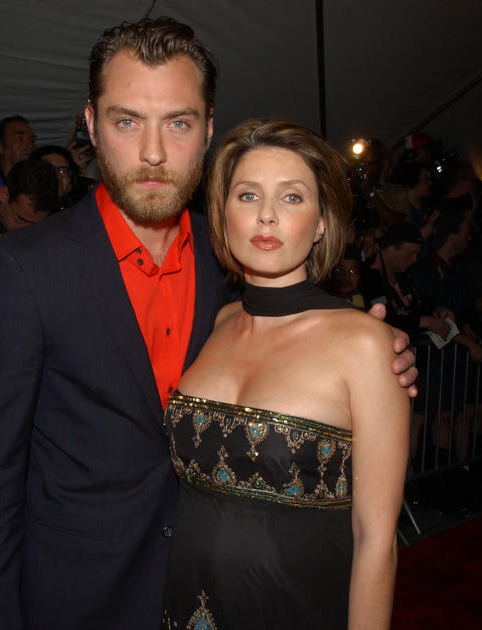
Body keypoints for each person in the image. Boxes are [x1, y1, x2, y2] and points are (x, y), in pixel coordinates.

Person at [0, 17, 417, 629]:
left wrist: (380, 354)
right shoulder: (21, 268)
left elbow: (300, 344)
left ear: (207, 130)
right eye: (126, 121)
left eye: (177, 122)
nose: (152, 152)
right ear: (90, 125)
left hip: (222, 595)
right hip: (80, 601)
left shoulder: (232, 263)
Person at [162, 118, 407, 628]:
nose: (267, 216)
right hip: (186, 601)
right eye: (247, 196)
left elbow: (376, 540)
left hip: (296, 608)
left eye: (292, 198)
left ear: (321, 222)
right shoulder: (219, 320)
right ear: (223, 215)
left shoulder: (366, 344)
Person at [0, 115, 36, 188]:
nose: (30, 145)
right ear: (0, 146)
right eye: (20, 138)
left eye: (32, 141)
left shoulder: (35, 183)